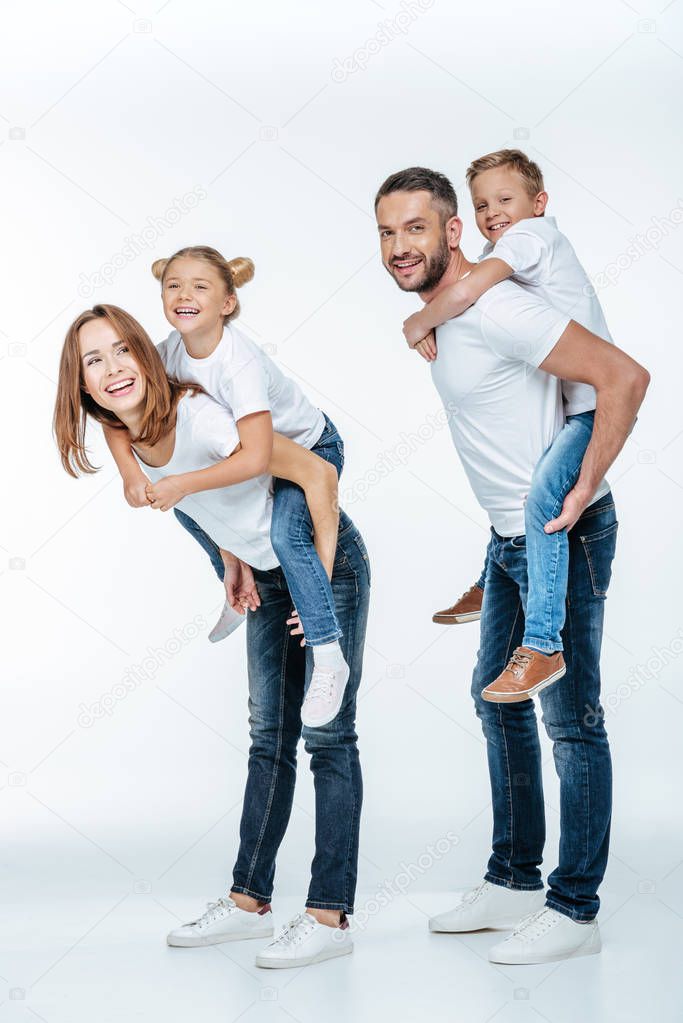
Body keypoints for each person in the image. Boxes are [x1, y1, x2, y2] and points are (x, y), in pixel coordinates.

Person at [375, 167, 649, 964]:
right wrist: (422, 318)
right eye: (388, 233)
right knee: (493, 703)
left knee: (570, 720)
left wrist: (589, 477)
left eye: (415, 229)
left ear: (454, 232)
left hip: (560, 535)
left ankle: (573, 909)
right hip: (504, 541)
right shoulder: (444, 314)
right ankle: (511, 881)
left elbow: (623, 377)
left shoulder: (496, 304)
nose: (399, 247)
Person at [53, 303, 371, 970]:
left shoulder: (201, 414)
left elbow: (318, 475)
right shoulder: (127, 432)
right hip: (263, 573)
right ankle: (250, 901)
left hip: (322, 557)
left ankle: (328, 915)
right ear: (81, 383)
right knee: (267, 737)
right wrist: (228, 559)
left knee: (327, 735)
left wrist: (320, 603)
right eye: (93, 359)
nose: (111, 368)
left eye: (121, 351)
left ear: (148, 355)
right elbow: (185, 501)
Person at [399, 149, 617, 704]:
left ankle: (543, 643)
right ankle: (495, 574)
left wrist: (420, 317)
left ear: (538, 204)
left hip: (590, 407)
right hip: (573, 405)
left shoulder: (531, 238)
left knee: (542, 497)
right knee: (516, 476)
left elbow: (473, 288)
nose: (493, 213)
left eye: (505, 200)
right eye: (482, 205)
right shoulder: (511, 247)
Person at [104, 246, 350, 727]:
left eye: (200, 286)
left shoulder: (238, 363)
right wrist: (132, 473)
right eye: (173, 285)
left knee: (282, 532)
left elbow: (258, 457)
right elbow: (116, 410)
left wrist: (314, 584)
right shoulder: (165, 353)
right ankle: (235, 579)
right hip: (248, 453)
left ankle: (328, 655)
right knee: (182, 505)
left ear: (227, 303)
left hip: (308, 451)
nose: (183, 294)